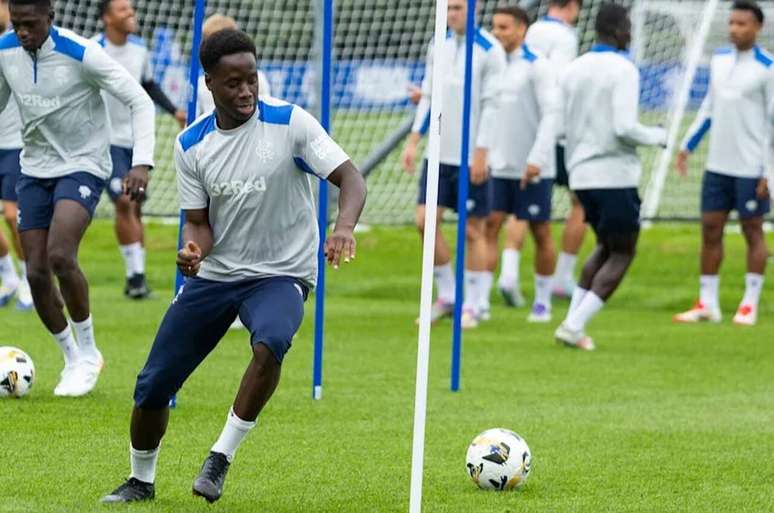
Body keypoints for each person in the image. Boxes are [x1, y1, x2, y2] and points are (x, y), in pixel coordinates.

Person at [100, 29, 366, 504]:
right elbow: (199, 223)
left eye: (252, 79)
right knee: (153, 383)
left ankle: (220, 456)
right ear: (209, 83)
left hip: (281, 272)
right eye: (233, 83)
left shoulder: (290, 122)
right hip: (218, 275)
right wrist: (193, 250)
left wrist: (343, 227)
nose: (246, 91)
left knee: (272, 341)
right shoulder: (191, 144)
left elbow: (351, 178)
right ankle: (140, 480)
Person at [0, 0, 155, 395]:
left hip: (84, 164)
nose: (22, 32)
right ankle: (72, 357)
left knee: (59, 254)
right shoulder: (5, 51)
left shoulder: (82, 52)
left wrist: (141, 163)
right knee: (36, 272)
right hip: (34, 167)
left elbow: (139, 100)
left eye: (30, 24)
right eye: (16, 24)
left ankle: (89, 353)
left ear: (50, 18)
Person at [554, 3, 666, 351]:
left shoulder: (573, 69)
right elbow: (624, 127)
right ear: (617, 29)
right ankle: (574, 325)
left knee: (605, 246)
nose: (631, 32)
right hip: (613, 174)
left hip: (581, 174)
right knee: (623, 252)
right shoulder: (623, 68)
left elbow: (560, 125)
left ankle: (571, 324)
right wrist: (658, 136)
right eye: (628, 25)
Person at [401, 0, 505, 328]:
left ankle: (474, 303)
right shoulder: (439, 44)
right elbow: (429, 96)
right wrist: (414, 140)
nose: (452, 14)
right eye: (449, 8)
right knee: (424, 221)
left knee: (473, 230)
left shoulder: (490, 50)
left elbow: (492, 106)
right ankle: (448, 295)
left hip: (471, 155)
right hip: (438, 154)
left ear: (475, 8)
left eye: (458, 7)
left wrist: (482, 152)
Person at [673, 0, 772, 326]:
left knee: (752, 230)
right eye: (731, 23)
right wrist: (687, 146)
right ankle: (707, 303)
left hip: (751, 167)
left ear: (757, 27)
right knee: (710, 228)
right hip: (717, 166)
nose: (734, 29)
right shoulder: (718, 61)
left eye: (742, 24)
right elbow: (709, 109)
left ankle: (748, 304)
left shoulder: (768, 68)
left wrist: (769, 171)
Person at [95, 0, 185, 299]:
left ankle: (137, 277)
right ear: (107, 18)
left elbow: (149, 85)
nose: (130, 13)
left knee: (134, 205)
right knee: (124, 201)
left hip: (136, 142)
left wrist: (174, 110)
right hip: (105, 142)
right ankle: (136, 278)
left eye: (131, 8)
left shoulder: (139, 49)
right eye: (122, 9)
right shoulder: (93, 49)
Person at [486, 5, 558, 323]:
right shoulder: (491, 64)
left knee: (541, 231)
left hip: (532, 166)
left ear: (521, 29)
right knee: (489, 226)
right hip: (497, 165)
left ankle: (542, 302)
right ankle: (479, 302)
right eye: (494, 27)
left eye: (504, 27)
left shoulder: (537, 66)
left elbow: (552, 115)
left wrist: (537, 158)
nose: (497, 33)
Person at [525, 0, 586, 299]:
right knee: (581, 201)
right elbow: (562, 83)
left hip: (529, 129)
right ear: (573, 5)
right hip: (560, 133)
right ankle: (562, 276)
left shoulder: (531, 30)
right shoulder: (566, 36)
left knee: (521, 205)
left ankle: (508, 275)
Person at [0, 0, 31, 310]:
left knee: (12, 215)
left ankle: (28, 279)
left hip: (14, 145)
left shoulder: (18, 46)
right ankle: (8, 278)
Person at [196, 13, 271, 118]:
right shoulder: (201, 85)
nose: (246, 93)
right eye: (232, 85)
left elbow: (265, 112)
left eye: (251, 81)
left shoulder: (260, 79)